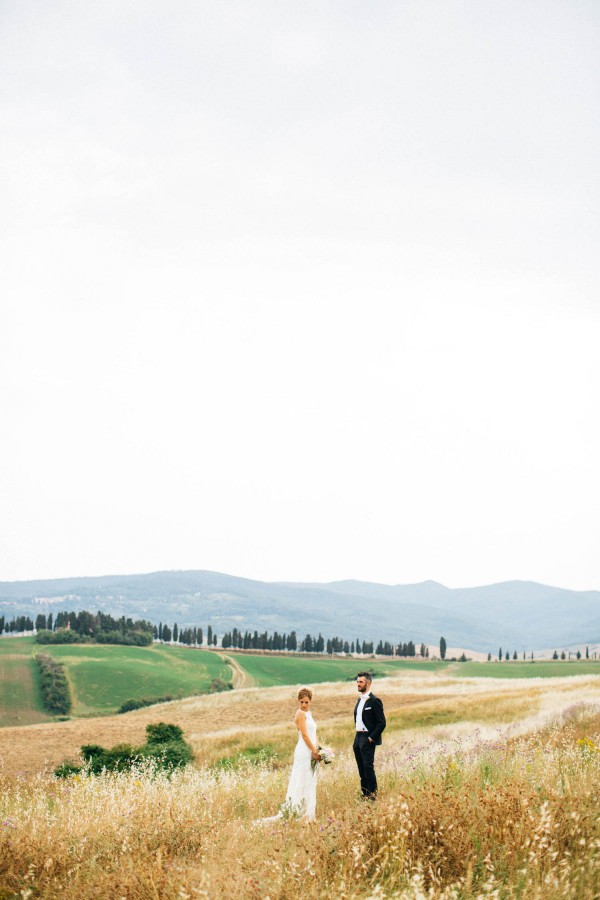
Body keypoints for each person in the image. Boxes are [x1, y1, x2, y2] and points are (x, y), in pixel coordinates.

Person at [258, 687, 321, 822]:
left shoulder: (309, 714)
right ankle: (296, 811)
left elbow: (313, 734)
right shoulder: (300, 714)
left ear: (310, 701)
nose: (304, 705)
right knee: (301, 779)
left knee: (309, 780)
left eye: (306, 702)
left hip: (312, 749)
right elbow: (304, 735)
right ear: (298, 702)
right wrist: (314, 751)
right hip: (304, 750)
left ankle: (308, 812)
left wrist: (319, 748)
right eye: (301, 702)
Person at [353, 671, 386, 799]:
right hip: (358, 737)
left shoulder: (375, 701)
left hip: (367, 737)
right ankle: (365, 793)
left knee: (368, 766)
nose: (358, 684)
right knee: (361, 767)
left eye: (360, 682)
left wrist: (371, 738)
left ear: (368, 683)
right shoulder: (359, 700)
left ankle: (373, 793)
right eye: (357, 682)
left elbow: (382, 723)